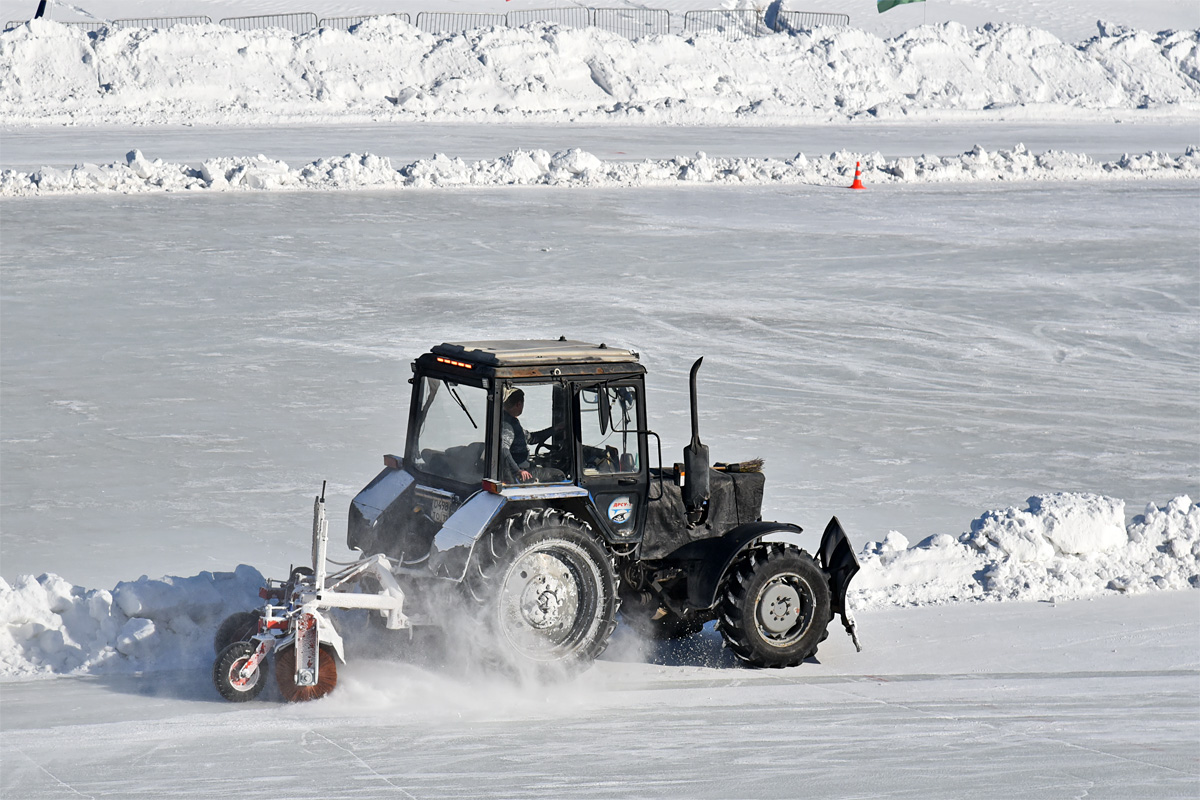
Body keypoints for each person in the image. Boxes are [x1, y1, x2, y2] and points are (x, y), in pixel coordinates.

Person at [500, 388, 533, 482]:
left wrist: (554, 429)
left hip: (519, 466)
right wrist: (518, 471)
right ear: (519, 404)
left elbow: (531, 438)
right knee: (558, 474)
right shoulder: (508, 425)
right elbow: (503, 449)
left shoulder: (503, 418)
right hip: (519, 470)